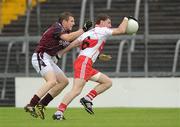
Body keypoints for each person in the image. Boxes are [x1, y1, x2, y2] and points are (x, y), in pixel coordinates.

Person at [52, 13, 133, 120]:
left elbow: (74, 44)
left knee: (107, 82)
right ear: (101, 22)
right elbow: (121, 30)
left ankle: (87, 98)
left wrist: (60, 54)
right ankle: (59, 112)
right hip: (84, 63)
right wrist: (127, 18)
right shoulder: (103, 30)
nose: (110, 25)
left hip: (85, 62)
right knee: (76, 90)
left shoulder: (88, 32)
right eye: (108, 23)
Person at [24, 12, 92, 120]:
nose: (73, 23)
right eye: (71, 21)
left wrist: (93, 50)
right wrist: (83, 29)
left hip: (49, 58)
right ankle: (31, 105)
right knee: (52, 81)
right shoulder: (57, 27)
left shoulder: (66, 32)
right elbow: (69, 38)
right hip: (41, 56)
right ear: (64, 21)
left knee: (64, 82)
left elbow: (73, 43)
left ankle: (42, 104)